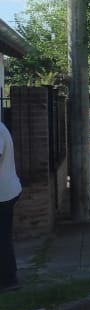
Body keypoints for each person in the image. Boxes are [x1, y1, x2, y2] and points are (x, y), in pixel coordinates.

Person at [0, 119, 22, 292]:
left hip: (3, 194)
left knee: (2, 239)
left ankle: (9, 280)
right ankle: (9, 278)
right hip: (7, 191)